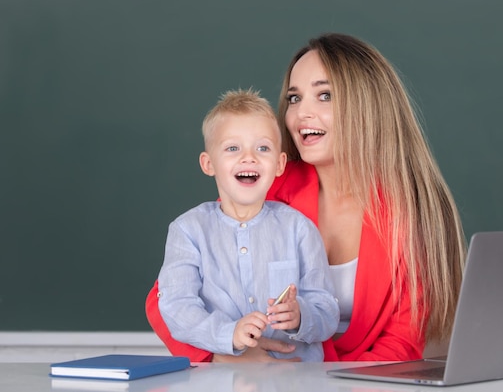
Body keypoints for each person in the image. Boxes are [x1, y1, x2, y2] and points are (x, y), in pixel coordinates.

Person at [146, 33, 466, 362]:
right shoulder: (271, 188)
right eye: (294, 98)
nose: (301, 114)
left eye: (324, 95)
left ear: (367, 105)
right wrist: (227, 356)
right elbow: (165, 300)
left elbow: (402, 340)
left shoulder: (413, 211)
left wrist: (329, 381)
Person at [154, 89, 339, 362]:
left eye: (262, 148)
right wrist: (228, 334)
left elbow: (326, 308)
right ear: (208, 164)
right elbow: (177, 306)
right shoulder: (188, 230)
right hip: (223, 381)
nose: (249, 157)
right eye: (232, 148)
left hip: (298, 380)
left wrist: (302, 315)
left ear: (279, 164)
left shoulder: (299, 229)